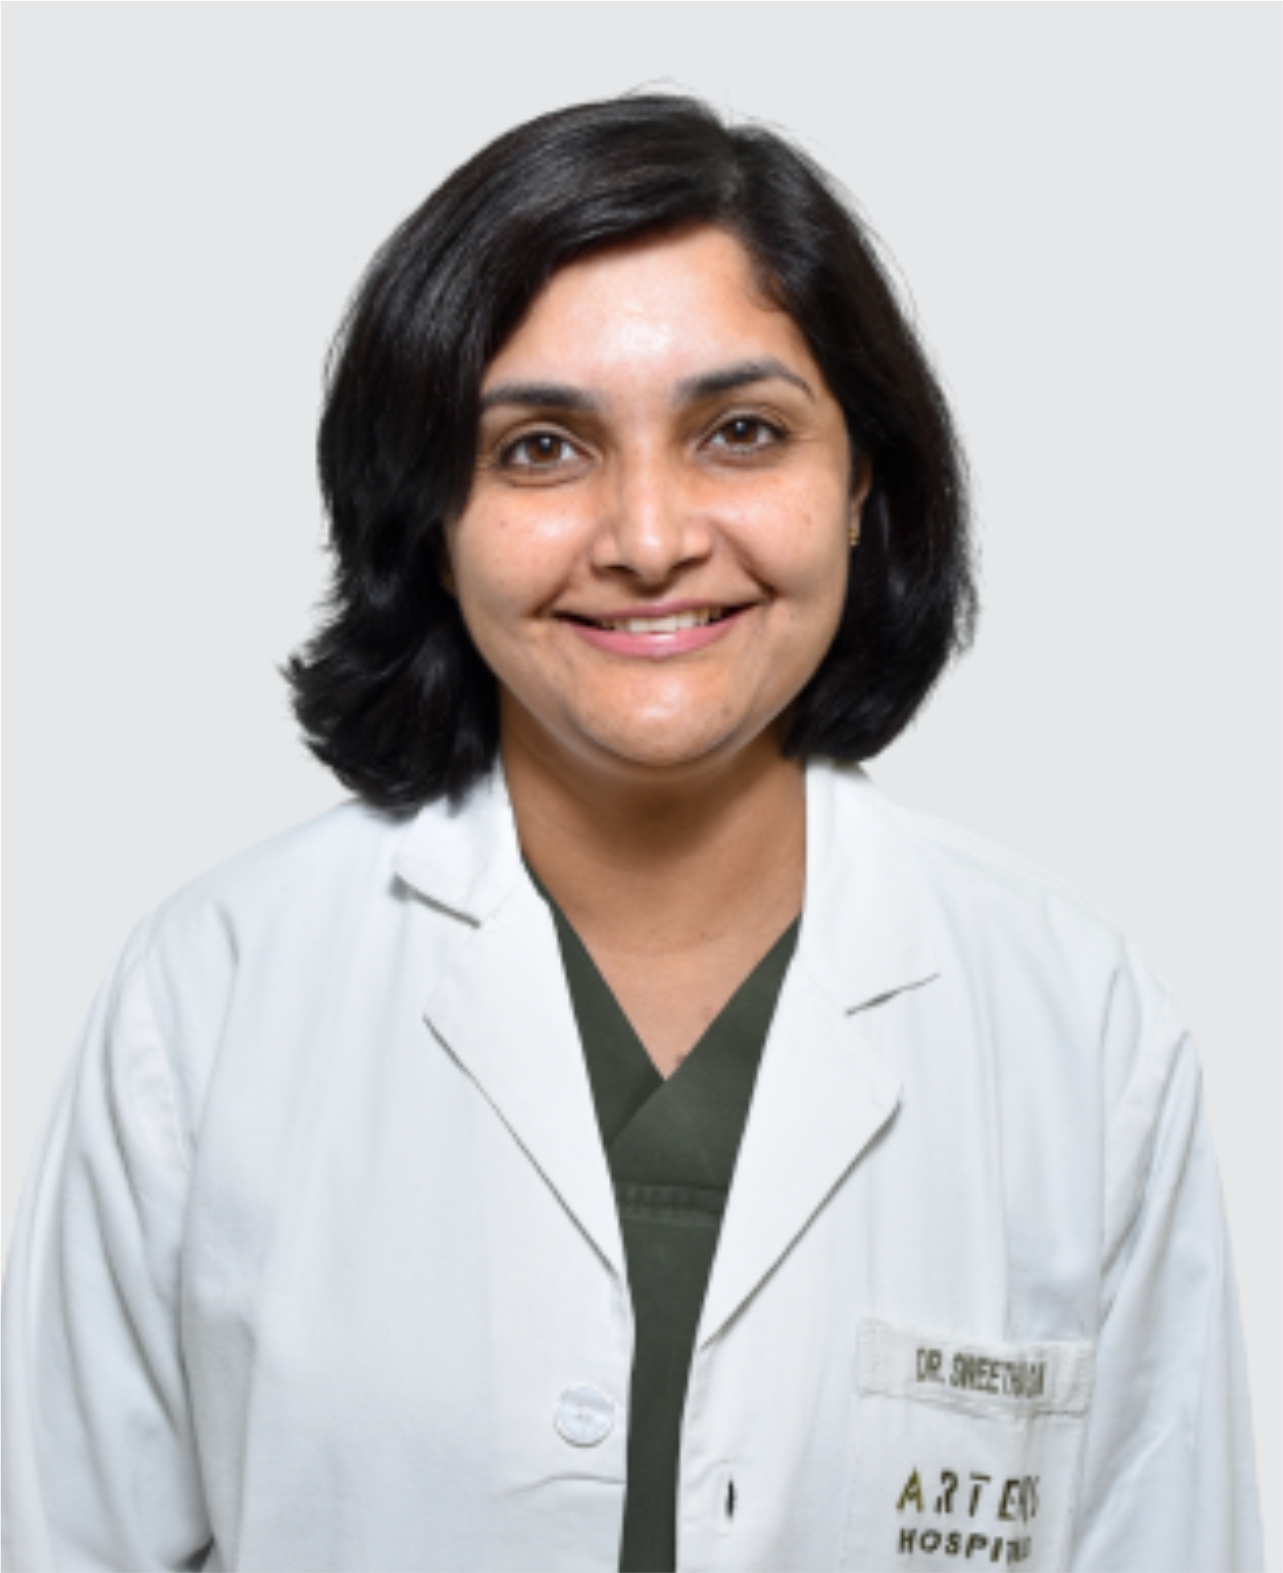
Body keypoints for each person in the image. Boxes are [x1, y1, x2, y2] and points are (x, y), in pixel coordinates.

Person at [1, 92, 1262, 1573]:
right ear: (430, 516)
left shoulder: (1078, 1032)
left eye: (742, 432)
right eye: (542, 447)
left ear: (861, 480)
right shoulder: (209, 1003)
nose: (651, 538)